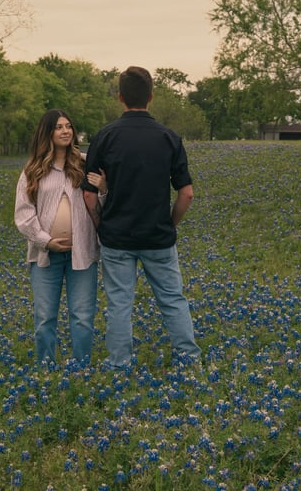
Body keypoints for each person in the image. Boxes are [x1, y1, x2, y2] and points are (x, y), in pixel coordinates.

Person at [83, 66, 201, 369]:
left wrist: (101, 225)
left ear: (120, 97)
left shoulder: (104, 137)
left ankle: (119, 363)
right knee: (173, 299)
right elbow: (186, 194)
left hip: (117, 237)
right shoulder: (169, 137)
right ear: (151, 96)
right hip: (158, 237)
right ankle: (188, 361)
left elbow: (88, 194)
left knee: (120, 303)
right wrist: (170, 224)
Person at [14, 109, 106, 366]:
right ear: (47, 133)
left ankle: (81, 367)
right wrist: (46, 240)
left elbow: (104, 207)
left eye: (68, 126)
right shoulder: (33, 171)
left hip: (83, 252)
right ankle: (46, 366)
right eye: (58, 127)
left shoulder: (86, 163)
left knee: (83, 316)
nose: (66, 131)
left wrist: (104, 190)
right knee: (44, 317)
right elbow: (23, 214)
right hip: (45, 255)